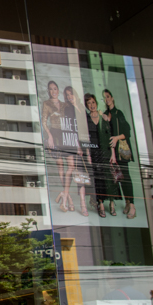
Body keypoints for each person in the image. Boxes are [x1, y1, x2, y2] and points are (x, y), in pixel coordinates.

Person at [101, 89, 137, 219]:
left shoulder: (118, 113)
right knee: (118, 178)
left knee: (125, 177)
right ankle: (127, 202)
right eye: (104, 98)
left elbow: (127, 132)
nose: (107, 99)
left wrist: (116, 138)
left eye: (108, 96)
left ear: (112, 98)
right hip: (111, 151)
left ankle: (132, 205)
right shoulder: (105, 114)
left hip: (120, 151)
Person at [41, 81, 71, 212]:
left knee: (71, 166)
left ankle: (65, 193)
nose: (53, 91)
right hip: (54, 135)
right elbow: (43, 122)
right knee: (61, 166)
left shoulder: (65, 104)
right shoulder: (46, 104)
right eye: (50, 89)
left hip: (66, 135)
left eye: (55, 88)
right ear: (48, 91)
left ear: (58, 90)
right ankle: (67, 198)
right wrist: (50, 136)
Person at [62, 86, 88, 217]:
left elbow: (85, 125)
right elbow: (70, 128)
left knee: (81, 172)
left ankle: (82, 203)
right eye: (67, 95)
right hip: (71, 142)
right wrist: (77, 145)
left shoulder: (81, 108)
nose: (69, 97)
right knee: (72, 168)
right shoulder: (67, 109)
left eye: (70, 94)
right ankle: (67, 198)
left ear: (75, 94)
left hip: (83, 142)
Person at [83, 93, 108, 218]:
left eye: (93, 102)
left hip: (104, 150)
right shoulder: (86, 119)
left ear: (96, 103)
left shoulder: (103, 116)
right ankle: (100, 203)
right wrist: (87, 152)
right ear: (86, 106)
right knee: (96, 177)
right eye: (89, 103)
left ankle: (103, 200)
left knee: (105, 176)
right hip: (93, 151)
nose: (92, 105)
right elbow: (85, 137)